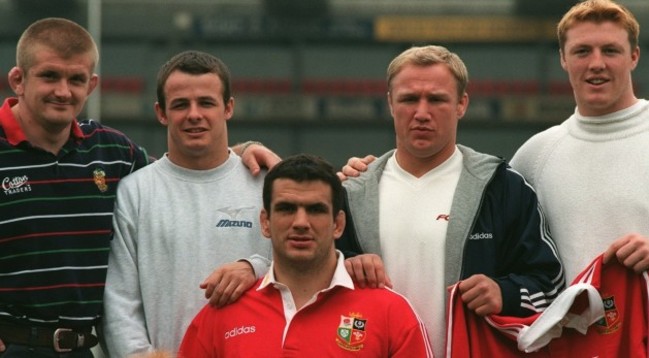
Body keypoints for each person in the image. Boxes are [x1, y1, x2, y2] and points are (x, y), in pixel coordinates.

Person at [0, 18, 279, 357]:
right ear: (18, 79)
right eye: (49, 76)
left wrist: (241, 154)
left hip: (79, 348)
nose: (63, 90)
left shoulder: (112, 153)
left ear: (91, 85)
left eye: (75, 79)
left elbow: (183, 176)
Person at [334, 45, 565, 357]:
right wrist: (344, 264)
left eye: (437, 99)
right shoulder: (351, 192)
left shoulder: (503, 186)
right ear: (390, 103)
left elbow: (550, 285)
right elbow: (307, 280)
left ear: (461, 104)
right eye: (409, 99)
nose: (422, 113)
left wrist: (504, 293)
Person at [101, 50, 276, 357]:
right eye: (181, 104)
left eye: (206, 102)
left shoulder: (265, 184)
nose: (194, 114)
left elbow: (306, 271)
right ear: (161, 112)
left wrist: (256, 266)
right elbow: (119, 302)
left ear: (228, 107)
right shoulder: (135, 192)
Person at [179, 154, 433, 357]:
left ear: (338, 224)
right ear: (265, 222)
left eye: (315, 210)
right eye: (287, 209)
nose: (301, 222)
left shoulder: (391, 313)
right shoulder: (222, 316)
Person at [509, 0, 649, 282]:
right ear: (563, 58)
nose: (596, 64)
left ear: (634, 56)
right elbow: (498, 248)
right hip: (572, 327)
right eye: (582, 51)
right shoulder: (535, 155)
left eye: (610, 50)